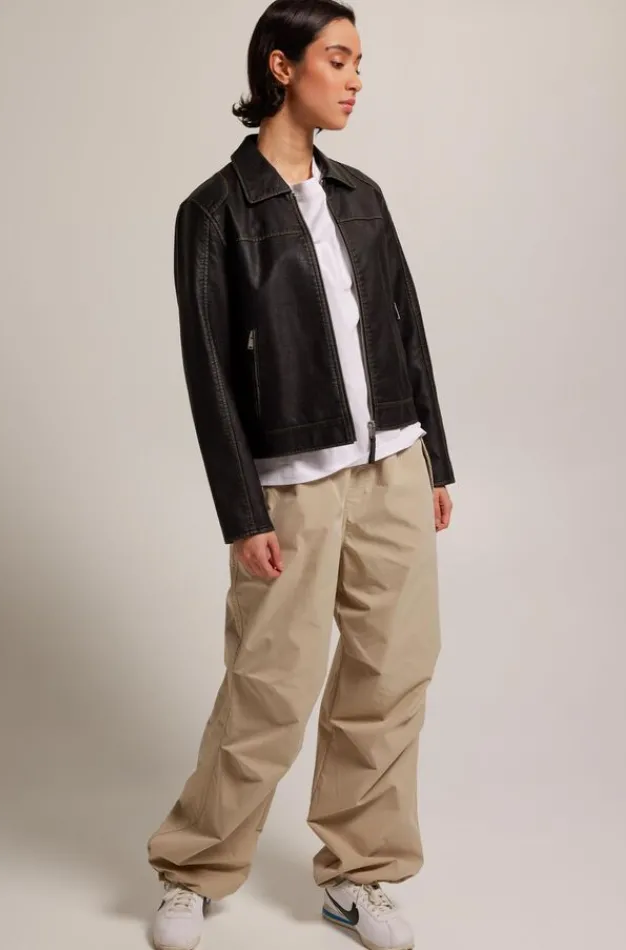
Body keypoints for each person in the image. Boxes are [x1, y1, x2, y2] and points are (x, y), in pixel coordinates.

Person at [148, 2, 455, 948]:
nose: (356, 78)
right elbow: (209, 372)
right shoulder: (215, 212)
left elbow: (406, 327)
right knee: (270, 686)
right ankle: (195, 870)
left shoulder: (363, 197)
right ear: (282, 68)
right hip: (292, 481)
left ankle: (358, 877)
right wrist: (242, 512)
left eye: (360, 60)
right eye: (338, 58)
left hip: (393, 464)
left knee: (390, 677)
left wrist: (436, 459)